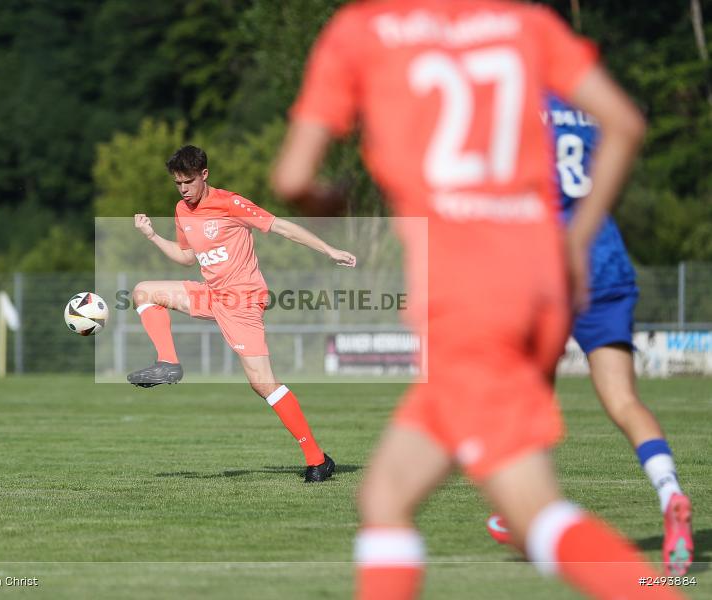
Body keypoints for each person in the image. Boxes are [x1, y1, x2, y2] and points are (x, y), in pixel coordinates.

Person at [272, 1, 685, 598]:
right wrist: (578, 237)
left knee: (534, 513)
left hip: (471, 297)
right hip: (538, 281)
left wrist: (327, 200)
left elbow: (291, 177)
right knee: (386, 494)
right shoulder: (526, 24)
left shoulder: (361, 31)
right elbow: (624, 123)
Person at [486, 94, 693, 576]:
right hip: (606, 261)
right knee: (624, 401)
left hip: (550, 266)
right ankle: (670, 491)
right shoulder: (590, 107)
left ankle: (523, 509)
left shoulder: (514, 102)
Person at [128, 144, 356, 482]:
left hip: (242, 300)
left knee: (262, 383)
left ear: (204, 174)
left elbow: (282, 227)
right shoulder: (182, 209)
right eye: (178, 183)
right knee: (143, 292)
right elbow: (187, 257)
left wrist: (328, 250)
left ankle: (317, 459)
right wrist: (152, 236)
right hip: (212, 294)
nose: (184, 189)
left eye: (189, 182)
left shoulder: (229, 203)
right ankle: (168, 363)